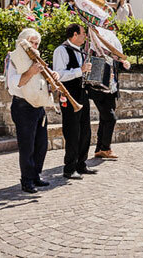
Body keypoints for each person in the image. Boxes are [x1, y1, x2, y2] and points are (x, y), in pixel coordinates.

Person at [5, 28, 59, 193]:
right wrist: (30, 72)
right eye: (31, 42)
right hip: (23, 106)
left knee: (41, 144)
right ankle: (26, 180)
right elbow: (13, 83)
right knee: (27, 146)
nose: (34, 45)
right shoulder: (14, 58)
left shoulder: (37, 59)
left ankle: (36, 175)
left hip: (38, 105)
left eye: (36, 43)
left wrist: (53, 78)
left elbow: (41, 85)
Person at [53, 24, 95, 179]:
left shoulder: (81, 51)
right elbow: (58, 75)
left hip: (82, 94)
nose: (85, 37)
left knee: (85, 131)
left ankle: (81, 164)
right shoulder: (61, 51)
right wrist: (80, 71)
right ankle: (69, 168)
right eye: (83, 34)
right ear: (75, 35)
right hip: (69, 96)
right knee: (72, 132)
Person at [87, 29, 131, 160]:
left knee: (104, 119)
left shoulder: (114, 55)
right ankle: (106, 148)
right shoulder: (97, 54)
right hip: (99, 92)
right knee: (111, 118)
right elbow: (95, 78)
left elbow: (119, 66)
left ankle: (99, 149)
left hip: (111, 91)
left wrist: (126, 65)